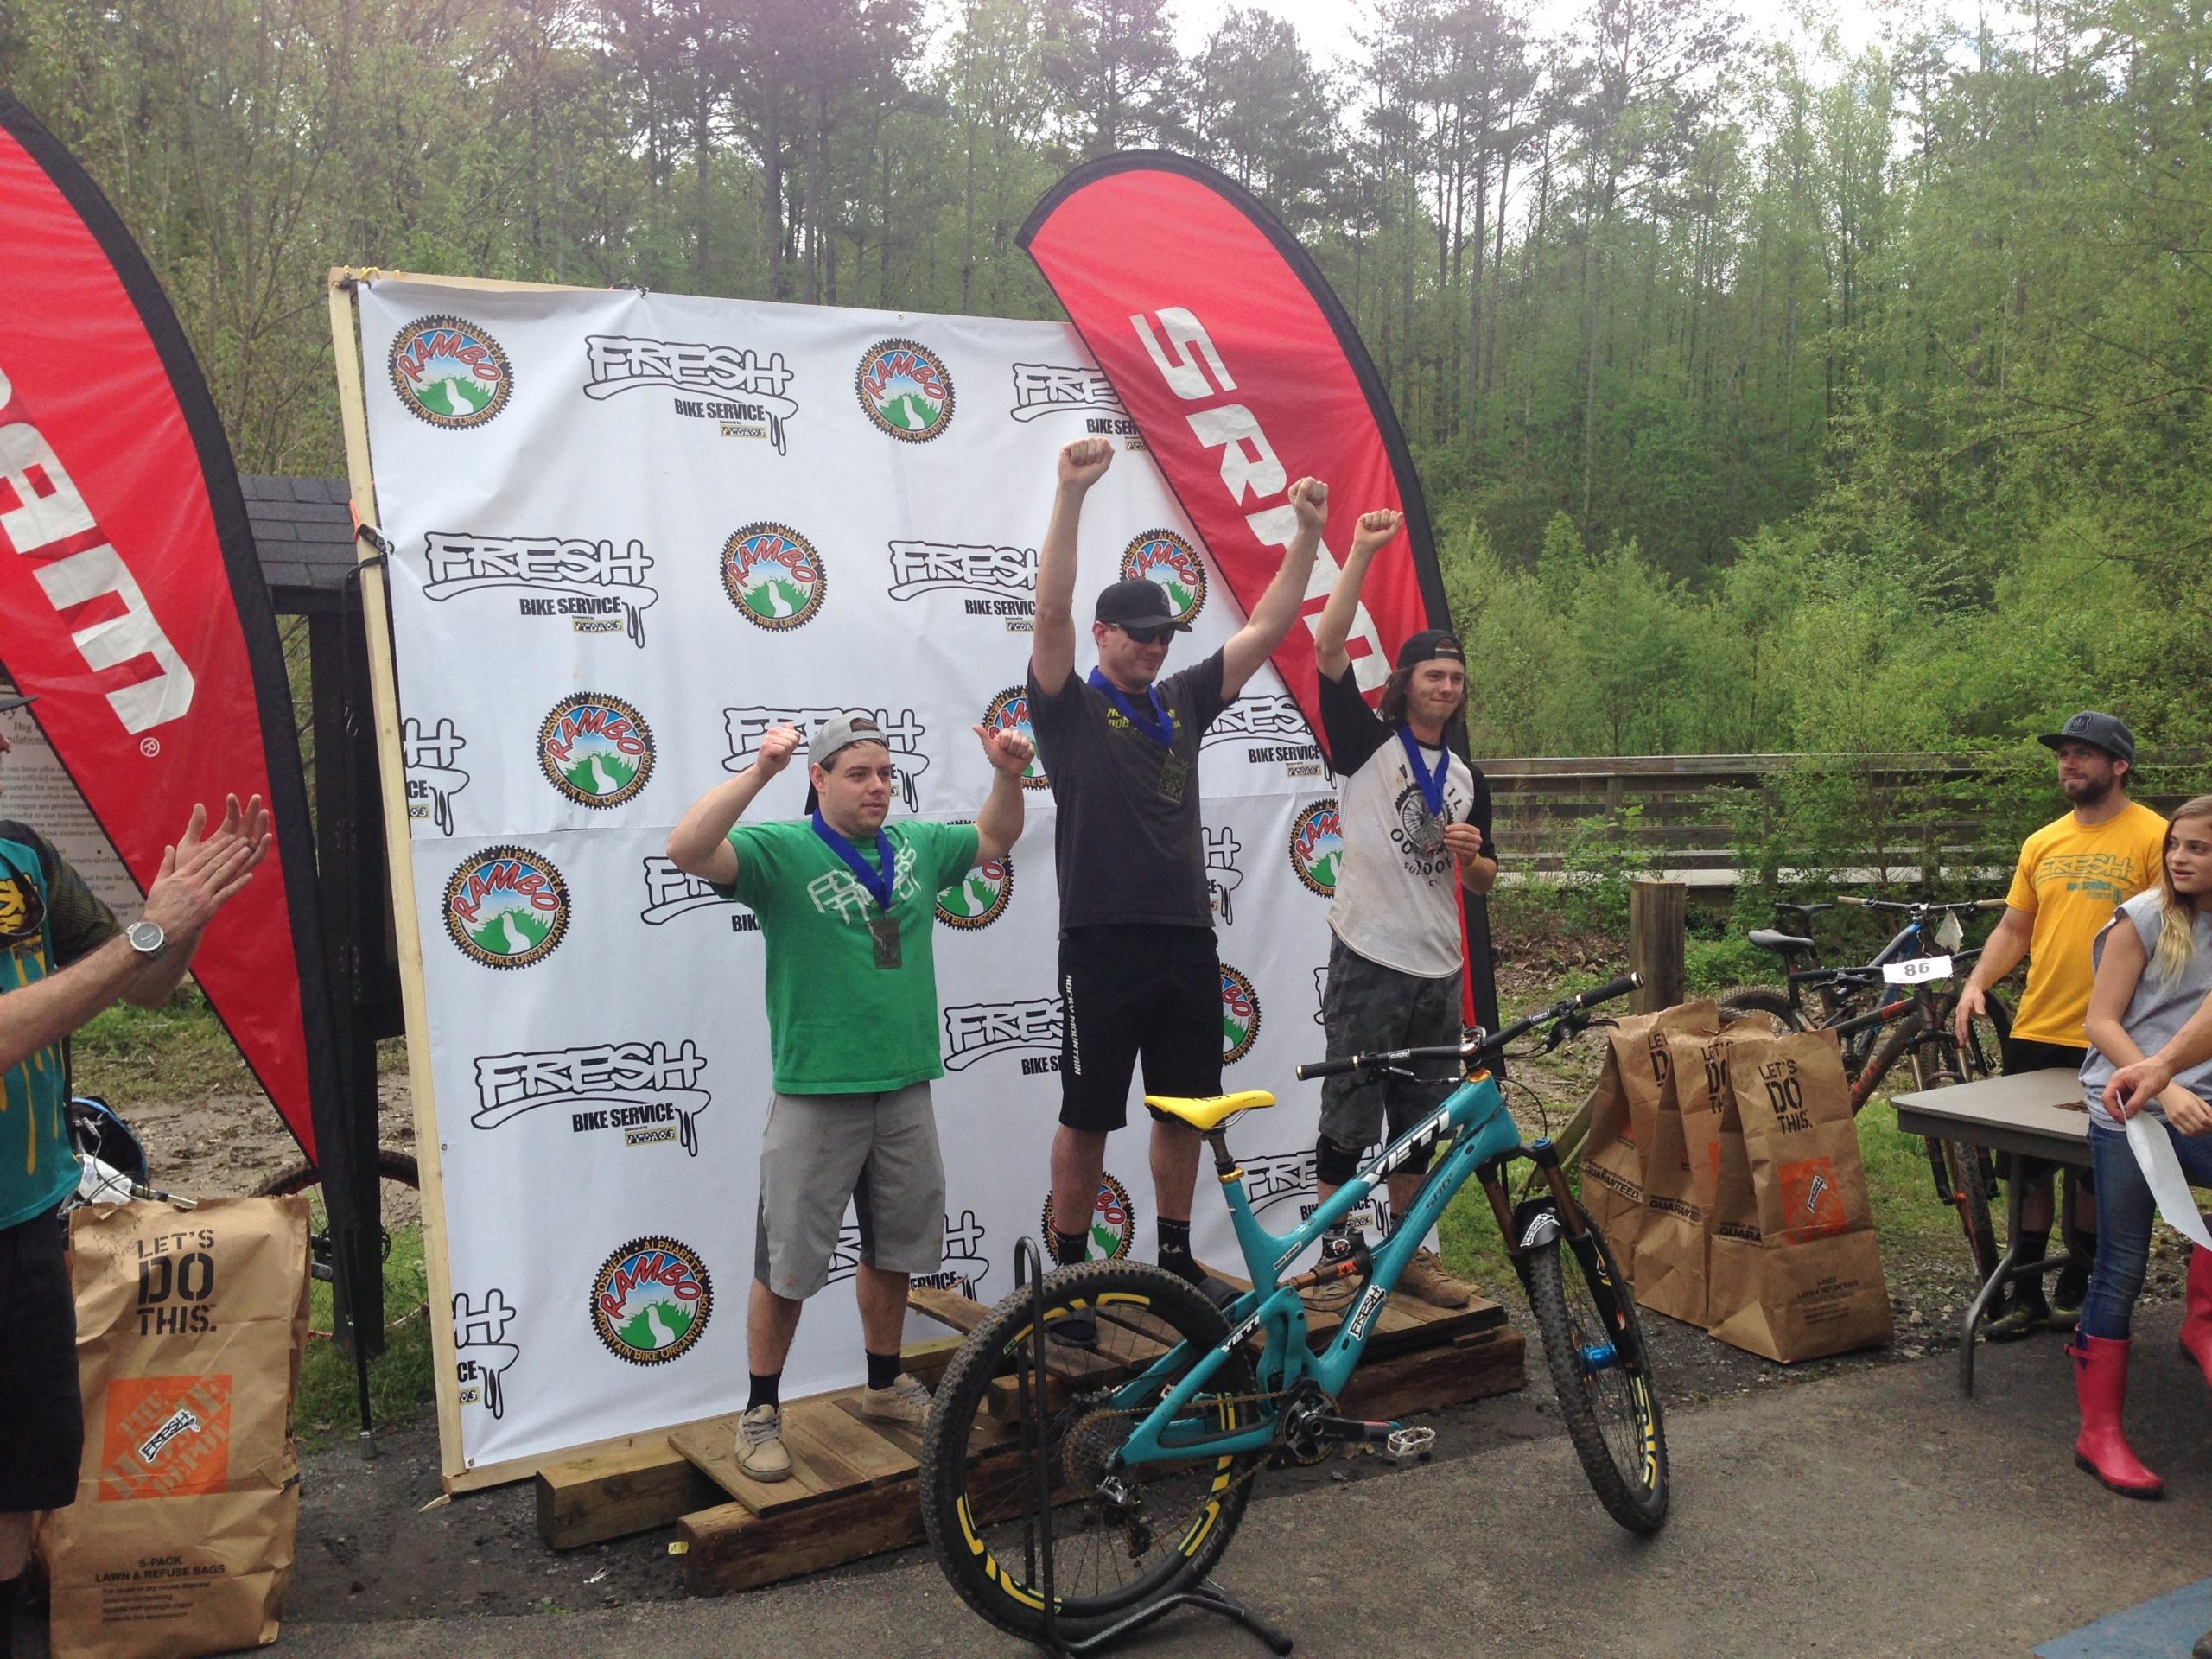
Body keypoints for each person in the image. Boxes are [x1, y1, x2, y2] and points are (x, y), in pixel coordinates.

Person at [666, 712, 1031, 1482]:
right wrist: (761, 770)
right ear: (819, 778)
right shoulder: (779, 850)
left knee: (895, 1248)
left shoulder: (917, 845)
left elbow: (996, 838)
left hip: (904, 1088)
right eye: (859, 773)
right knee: (789, 1264)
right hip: (815, 1092)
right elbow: (688, 847)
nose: (878, 787)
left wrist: (1005, 774)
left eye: (886, 773)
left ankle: (883, 1385)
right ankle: (762, 1409)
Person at [1028, 436, 1324, 1333]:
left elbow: (1267, 628)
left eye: (1165, 636)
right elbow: (1048, 617)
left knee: (1184, 1109)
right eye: (1141, 635)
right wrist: (1071, 494)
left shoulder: (1183, 701)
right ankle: (1069, 1271)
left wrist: (1305, 535)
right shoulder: (1070, 709)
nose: (1157, 648)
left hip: (1184, 939)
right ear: (1107, 635)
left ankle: (1168, 1256)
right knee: (1087, 1117)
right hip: (1101, 939)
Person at [0, 692, 272, 1659]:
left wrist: (185, 915)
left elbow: (147, 983)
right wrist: (148, 933)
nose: (1, 736)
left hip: (26, 1216)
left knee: (21, 1474)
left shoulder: (21, 854)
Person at [1306, 507, 1497, 1306]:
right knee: (1349, 1114)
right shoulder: (1365, 744)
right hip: (1371, 953)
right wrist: (1359, 550)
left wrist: (1473, 856)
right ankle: (1331, 1257)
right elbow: (1325, 646)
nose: (1446, 688)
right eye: (1433, 675)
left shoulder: (1466, 775)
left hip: (1437, 967)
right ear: (1406, 684)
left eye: (1455, 678)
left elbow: (1487, 880)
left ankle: (1412, 1257)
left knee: (1422, 1120)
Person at [1953, 711, 2168, 1338]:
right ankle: (2025, 1292)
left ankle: (2081, 1285)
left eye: (2083, 753)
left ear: (2119, 765)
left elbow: (2176, 936)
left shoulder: (2154, 838)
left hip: (2118, 1035)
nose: (2068, 763)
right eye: (2063, 754)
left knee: (2095, 1170)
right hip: (2039, 1024)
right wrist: (1976, 983)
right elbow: (2015, 928)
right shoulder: (2042, 842)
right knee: (2026, 1166)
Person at [2069, 795, 2212, 1499]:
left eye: (2200, 849)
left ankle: (2201, 1322)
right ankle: (2099, 1435)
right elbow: (2100, 1021)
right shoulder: (2144, 918)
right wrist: (2163, 1087)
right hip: (2130, 1107)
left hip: (2200, 1104)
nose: (2182, 858)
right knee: (2121, 1263)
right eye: (2176, 846)